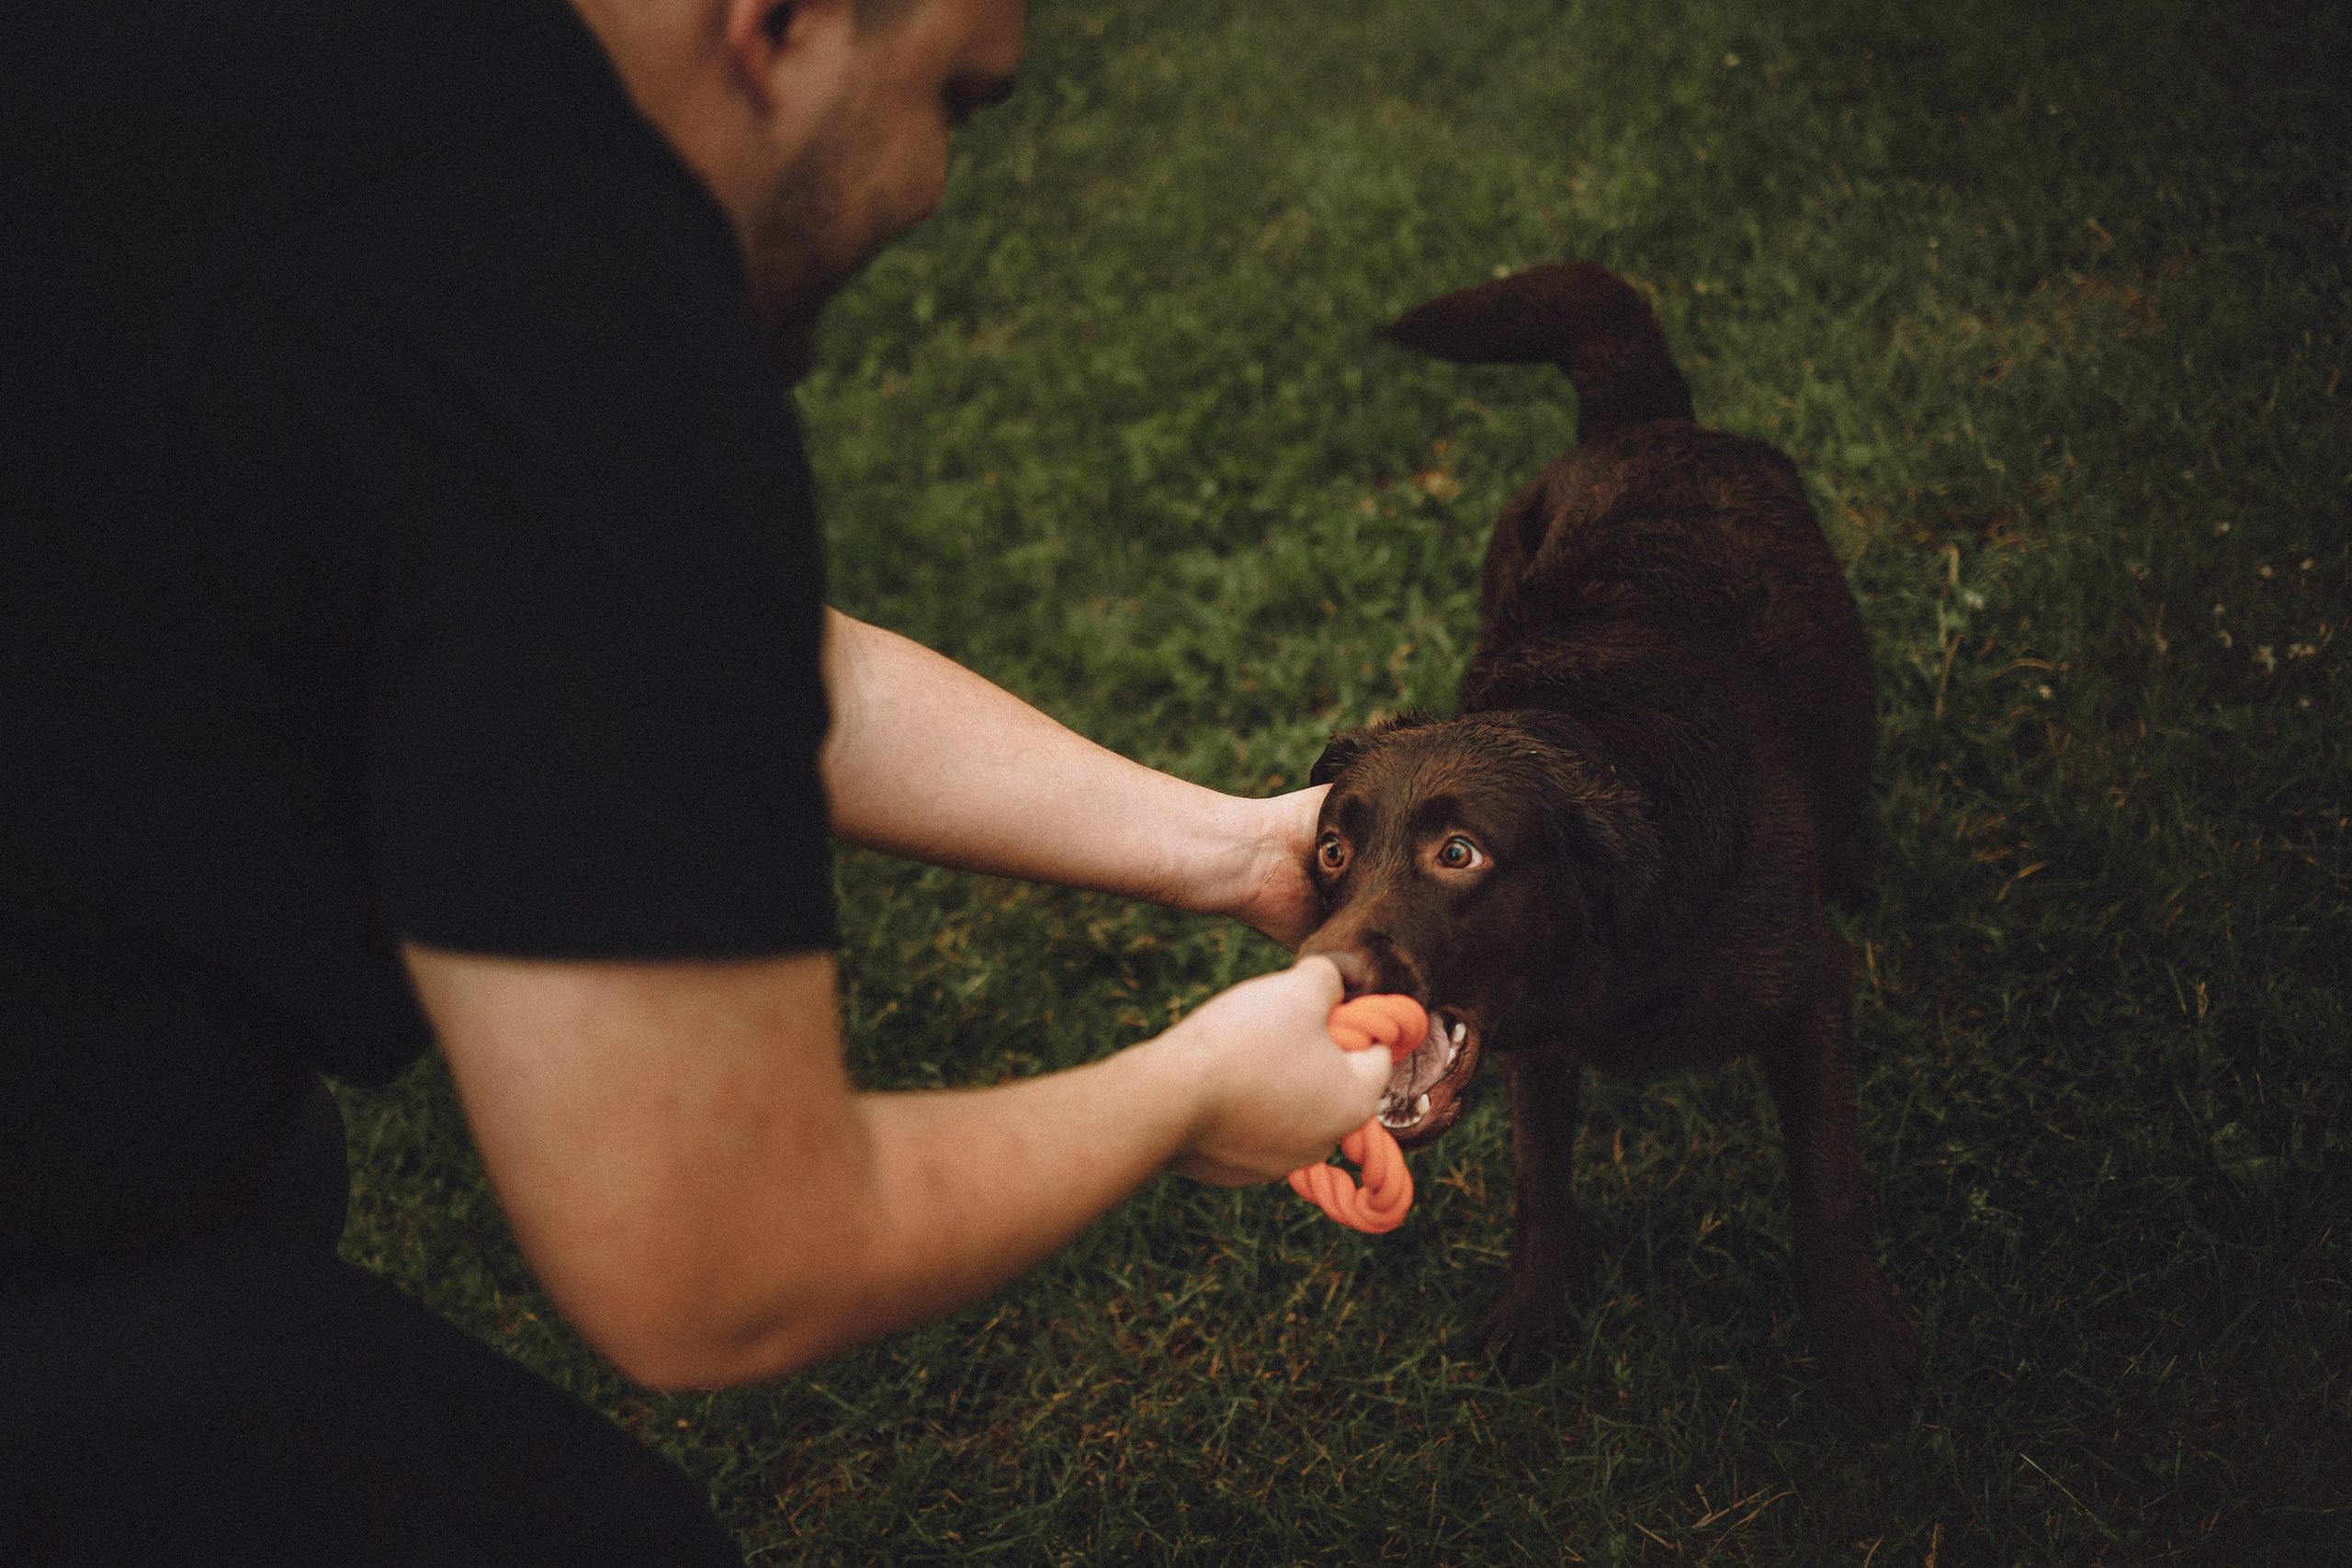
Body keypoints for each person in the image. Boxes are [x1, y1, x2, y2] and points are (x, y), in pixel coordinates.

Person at [0, 0, 1390, 1558]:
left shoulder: (264, 83)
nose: (935, 183)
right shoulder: (548, 289)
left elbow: (695, 657)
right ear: (780, 25)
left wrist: (1232, 849)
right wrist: (1186, 1092)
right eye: (959, 101)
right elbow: (717, 1254)